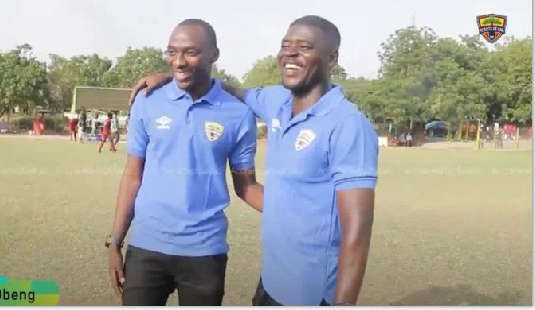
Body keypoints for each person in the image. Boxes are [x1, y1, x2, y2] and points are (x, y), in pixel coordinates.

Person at [129, 15, 379, 306]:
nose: (290, 54)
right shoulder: (276, 102)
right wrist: (171, 77)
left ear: (331, 58)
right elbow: (225, 88)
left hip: (312, 291)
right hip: (272, 284)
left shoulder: (349, 125)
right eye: (286, 45)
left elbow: (357, 231)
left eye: (305, 46)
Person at [107, 18, 264, 306]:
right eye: (172, 52)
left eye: (190, 52)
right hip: (146, 247)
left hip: (205, 252)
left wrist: (294, 212)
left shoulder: (238, 114)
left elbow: (246, 185)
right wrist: (114, 241)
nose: (178, 62)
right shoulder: (148, 101)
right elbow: (132, 177)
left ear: (214, 55)